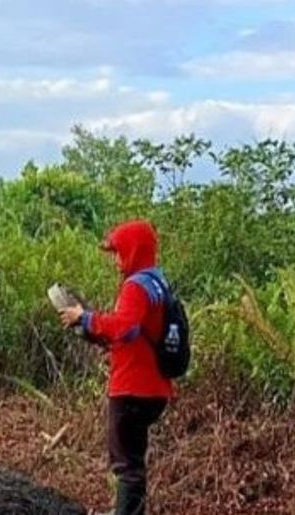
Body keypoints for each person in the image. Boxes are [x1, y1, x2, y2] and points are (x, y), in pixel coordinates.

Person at [59, 219, 175, 515]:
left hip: (132, 387)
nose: (117, 262)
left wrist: (84, 317)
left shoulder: (136, 286)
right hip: (155, 387)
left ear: (134, 251)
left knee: (127, 467)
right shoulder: (158, 282)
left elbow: (125, 328)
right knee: (133, 461)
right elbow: (135, 334)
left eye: (119, 253)